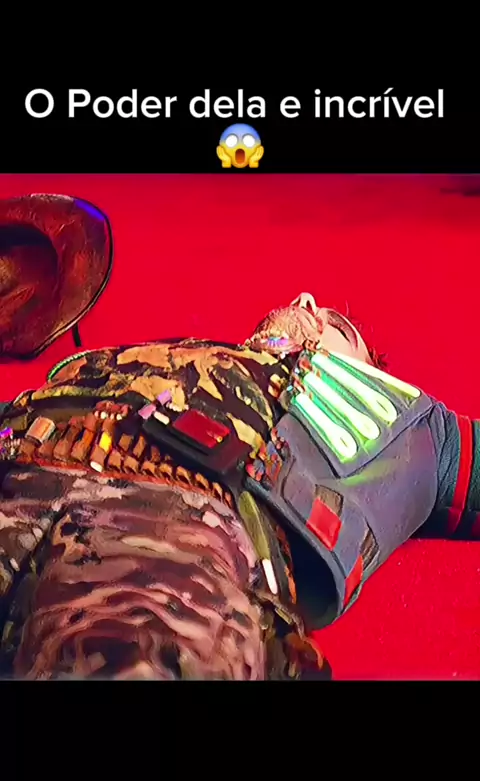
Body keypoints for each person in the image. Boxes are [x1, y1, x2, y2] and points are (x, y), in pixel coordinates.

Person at [1, 194, 479, 680]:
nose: (305, 301)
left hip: (172, 520)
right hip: (19, 468)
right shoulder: (154, 352)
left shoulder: (409, 425)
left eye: (335, 325)